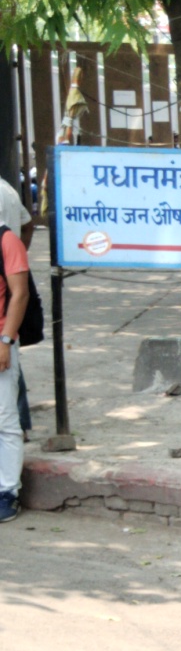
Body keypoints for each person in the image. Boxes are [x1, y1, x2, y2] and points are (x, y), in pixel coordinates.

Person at [0, 217, 28, 523]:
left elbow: (19, 294)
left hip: (0, 338)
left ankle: (8, 492)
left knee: (5, 419)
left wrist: (6, 340)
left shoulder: (7, 240)